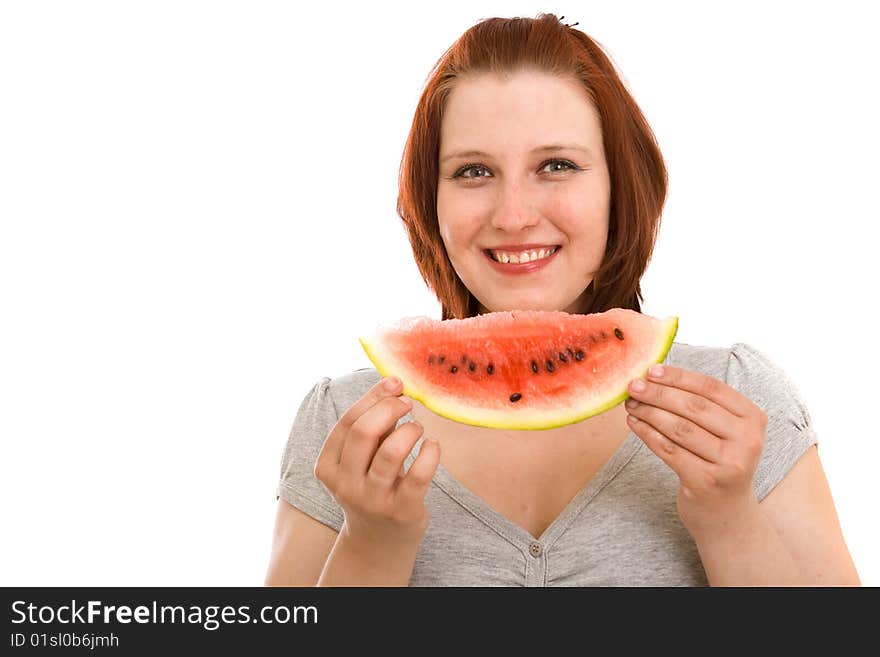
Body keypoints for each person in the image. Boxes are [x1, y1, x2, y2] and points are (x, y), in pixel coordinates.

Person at [264, 14, 860, 586]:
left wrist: (729, 518)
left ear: (617, 188)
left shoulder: (735, 398)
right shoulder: (347, 423)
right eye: (473, 172)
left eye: (556, 165)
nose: (514, 216)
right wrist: (372, 543)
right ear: (432, 201)